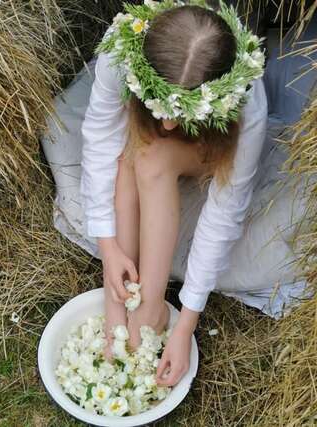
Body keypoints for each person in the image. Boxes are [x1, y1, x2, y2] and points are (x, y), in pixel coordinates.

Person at [80, 0, 267, 387]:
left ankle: (151, 310)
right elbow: (100, 138)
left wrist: (186, 322)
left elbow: (224, 210)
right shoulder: (123, 47)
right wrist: (109, 247)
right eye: (158, 104)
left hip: (207, 146)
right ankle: (118, 299)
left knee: (152, 156)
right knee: (130, 153)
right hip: (141, 130)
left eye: (179, 112)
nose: (166, 122)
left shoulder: (250, 102)